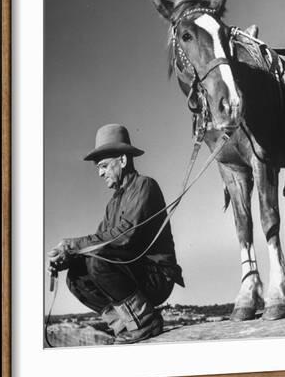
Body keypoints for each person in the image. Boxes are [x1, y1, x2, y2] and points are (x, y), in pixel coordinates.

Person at [48, 124, 184, 344]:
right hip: (134, 274)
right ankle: (124, 325)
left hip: (157, 277)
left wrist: (71, 245)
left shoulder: (145, 186)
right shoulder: (113, 204)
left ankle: (146, 322)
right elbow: (97, 242)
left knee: (97, 262)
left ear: (122, 160)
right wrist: (66, 258)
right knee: (75, 277)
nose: (100, 173)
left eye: (103, 166)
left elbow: (123, 237)